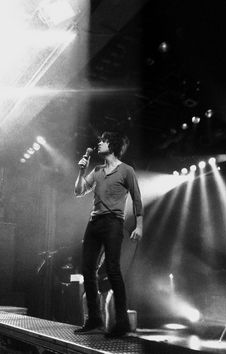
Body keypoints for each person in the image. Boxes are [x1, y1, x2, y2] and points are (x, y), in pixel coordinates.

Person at [74, 131, 143, 338]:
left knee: (112, 269)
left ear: (111, 145)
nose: (99, 143)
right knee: (87, 269)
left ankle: (121, 322)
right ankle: (94, 319)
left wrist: (139, 226)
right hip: (94, 222)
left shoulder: (126, 171)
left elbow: (137, 199)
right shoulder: (96, 170)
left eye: (103, 141)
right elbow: (78, 192)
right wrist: (81, 171)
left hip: (114, 222)